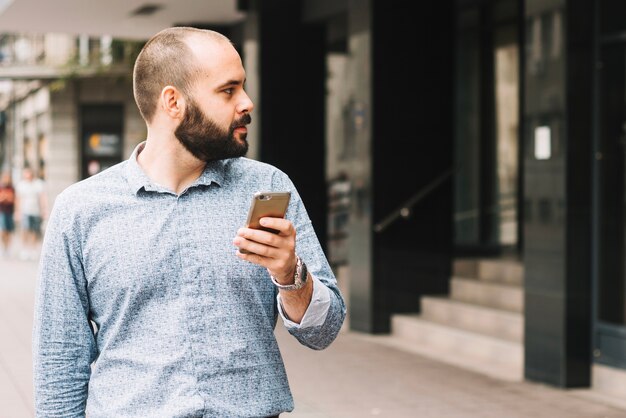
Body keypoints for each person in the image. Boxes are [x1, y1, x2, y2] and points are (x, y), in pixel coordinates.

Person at [33, 27, 346, 418]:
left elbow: (324, 330)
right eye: (228, 90)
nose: (247, 102)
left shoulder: (268, 187)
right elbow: (60, 360)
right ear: (173, 102)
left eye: (243, 87)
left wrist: (290, 274)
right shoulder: (80, 210)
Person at [15, 166, 47, 260]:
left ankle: (33, 249)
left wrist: (44, 210)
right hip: (25, 211)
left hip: (35, 211)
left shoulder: (38, 184)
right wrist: (17, 211)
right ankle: (25, 249)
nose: (27, 175)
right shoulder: (21, 185)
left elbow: (42, 198)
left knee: (34, 231)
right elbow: (18, 199)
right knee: (25, 230)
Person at [0, 170, 15, 257]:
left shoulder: (12, 188)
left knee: (9, 231)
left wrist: (5, 197)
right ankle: (3, 247)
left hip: (9, 212)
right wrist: (4, 197)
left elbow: (12, 199)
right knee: (3, 230)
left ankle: (8, 248)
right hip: (2, 211)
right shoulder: (1, 187)